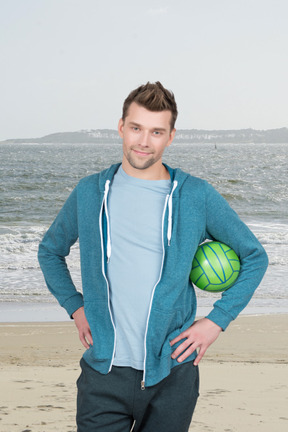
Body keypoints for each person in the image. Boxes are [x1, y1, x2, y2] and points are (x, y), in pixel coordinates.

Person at [38, 81, 268, 432]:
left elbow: (254, 256)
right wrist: (75, 305)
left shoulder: (195, 195)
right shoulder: (89, 192)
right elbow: (50, 250)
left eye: (156, 132)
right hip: (103, 375)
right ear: (121, 128)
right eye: (136, 128)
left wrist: (215, 322)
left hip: (172, 374)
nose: (144, 142)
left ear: (171, 136)